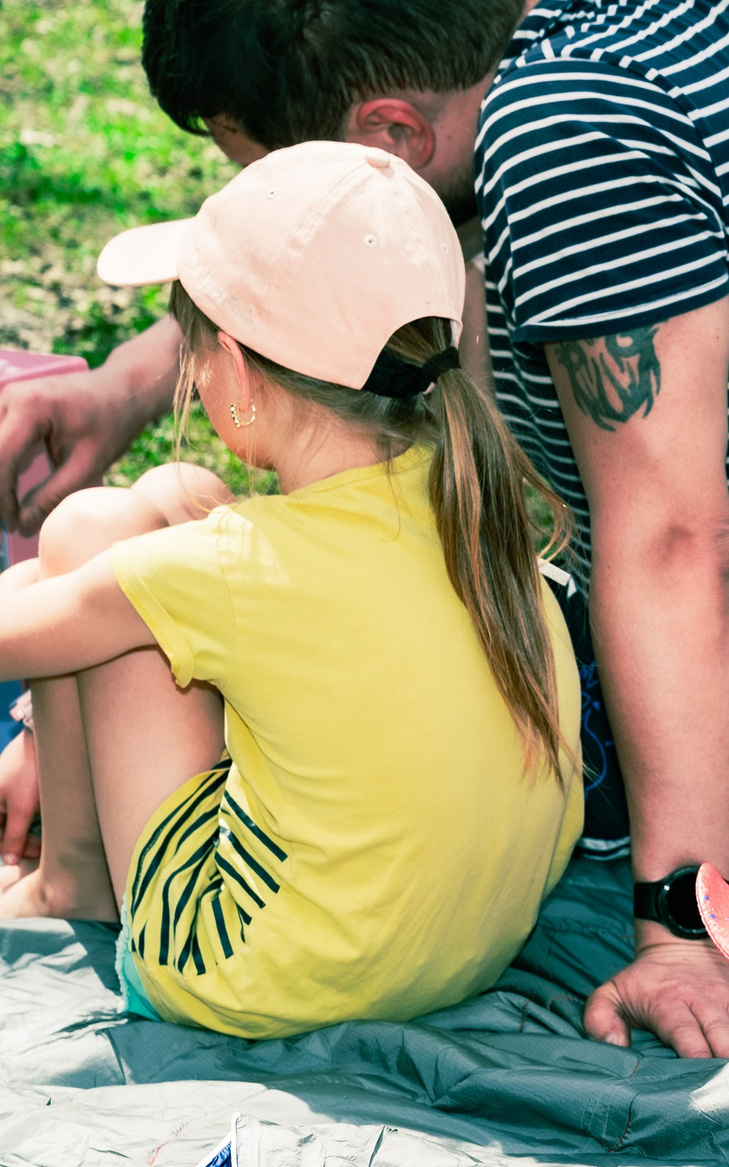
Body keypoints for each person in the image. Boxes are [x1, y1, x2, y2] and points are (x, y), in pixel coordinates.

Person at [0, 0, 729, 1061]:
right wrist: (129, 386)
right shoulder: (501, 56)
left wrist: (684, 934)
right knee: (223, 563)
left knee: (319, 661)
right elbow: (345, 262)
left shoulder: (572, 149)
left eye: (269, 171)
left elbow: (671, 545)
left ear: (392, 129)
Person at [0, 142, 581, 1038]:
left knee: (84, 536)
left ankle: (67, 883)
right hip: (458, 952)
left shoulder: (242, 567)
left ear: (235, 374)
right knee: (166, 503)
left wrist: (43, 581)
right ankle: (69, 866)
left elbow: (25, 632)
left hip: (257, 971)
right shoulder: (478, 515)